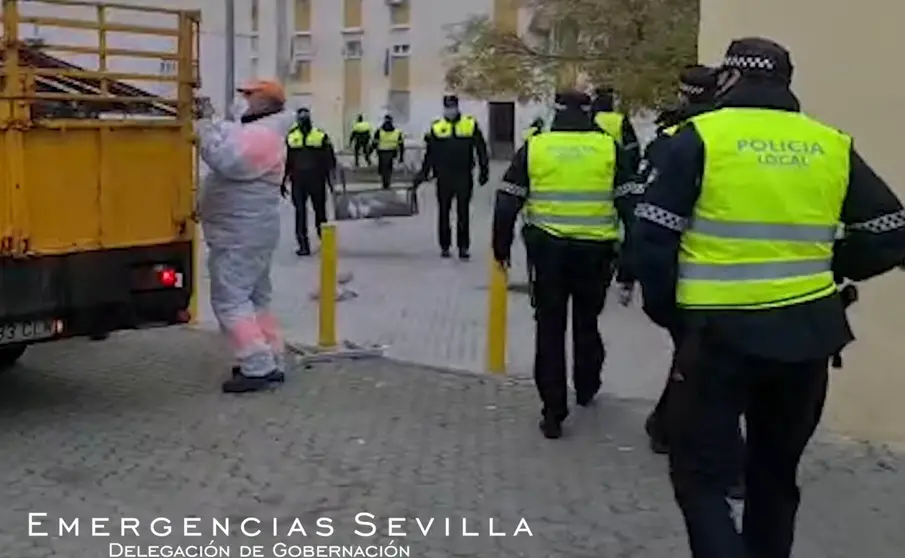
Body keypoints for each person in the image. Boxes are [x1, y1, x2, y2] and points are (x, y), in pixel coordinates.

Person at [633, 37, 905, 558]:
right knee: (774, 480)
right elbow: (891, 232)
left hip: (718, 339)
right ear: (785, 82)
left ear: (730, 80)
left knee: (700, 479)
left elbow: (652, 238)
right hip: (807, 339)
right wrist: (833, 266)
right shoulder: (829, 143)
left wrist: (670, 313)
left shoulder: (699, 136)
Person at [492, 90, 638, 439]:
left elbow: (507, 198)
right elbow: (632, 208)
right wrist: (631, 264)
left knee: (550, 328)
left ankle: (553, 411)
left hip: (548, 252)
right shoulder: (608, 148)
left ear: (555, 112)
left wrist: (501, 246)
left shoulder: (537, 146)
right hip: (595, 251)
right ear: (589, 113)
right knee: (587, 322)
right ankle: (586, 385)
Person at [638, 64, 722, 454]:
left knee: (694, 357)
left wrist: (638, 274)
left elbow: (648, 213)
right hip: (726, 276)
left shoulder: (674, 138)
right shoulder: (721, 138)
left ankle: (667, 425)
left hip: (689, 272)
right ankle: (669, 426)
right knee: (696, 358)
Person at [196, 79, 295, 393]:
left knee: (229, 299)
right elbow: (230, 135)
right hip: (248, 231)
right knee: (255, 298)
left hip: (239, 233)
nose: (242, 100)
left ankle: (257, 366)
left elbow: (228, 160)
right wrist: (210, 121)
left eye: (248, 95)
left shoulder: (264, 136)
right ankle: (271, 356)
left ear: (265, 100)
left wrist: (203, 129)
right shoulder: (258, 130)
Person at [415, 94, 490, 260]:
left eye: (452, 107)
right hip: (443, 177)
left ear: (457, 107)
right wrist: (423, 174)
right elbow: (430, 154)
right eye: (447, 107)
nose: (450, 110)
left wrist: (484, 171)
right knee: (444, 213)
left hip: (463, 175)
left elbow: (481, 149)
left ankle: (463, 247)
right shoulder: (437, 127)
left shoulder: (469, 124)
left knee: (463, 213)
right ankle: (445, 246)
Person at [283, 107, 337, 256]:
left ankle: (325, 242)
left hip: (317, 180)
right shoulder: (292, 137)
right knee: (300, 212)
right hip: (298, 181)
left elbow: (330, 160)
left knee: (320, 212)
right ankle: (303, 245)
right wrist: (284, 180)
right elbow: (288, 160)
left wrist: (331, 181)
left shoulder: (320, 136)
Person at [591, 87, 640, 170]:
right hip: (616, 161)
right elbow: (632, 146)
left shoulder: (591, 119)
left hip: (595, 161)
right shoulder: (620, 119)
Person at [371, 114, 405, 189]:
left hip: (381, 151)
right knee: (389, 167)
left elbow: (374, 142)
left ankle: (384, 180)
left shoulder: (379, 131)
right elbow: (401, 145)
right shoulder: (397, 132)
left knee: (382, 167)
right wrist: (401, 157)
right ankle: (387, 181)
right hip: (392, 151)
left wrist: (370, 151)